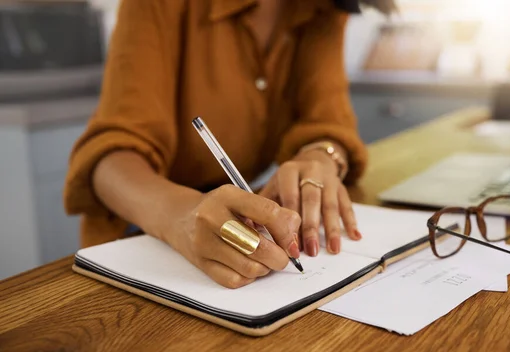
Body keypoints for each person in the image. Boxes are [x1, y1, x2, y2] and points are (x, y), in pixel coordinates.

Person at [64, 0, 395, 288]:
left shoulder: (324, 6)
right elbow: (109, 162)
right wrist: (183, 215)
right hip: (139, 243)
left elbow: (327, 121)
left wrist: (321, 156)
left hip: (234, 232)